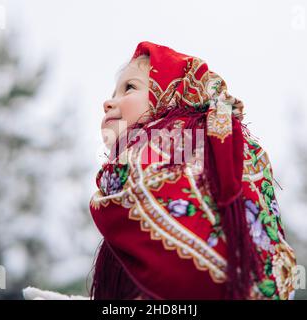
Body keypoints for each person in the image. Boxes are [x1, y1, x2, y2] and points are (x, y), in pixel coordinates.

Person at [89, 41, 297, 300]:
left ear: (168, 93)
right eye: (114, 92)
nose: (108, 102)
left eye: (129, 88)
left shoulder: (186, 146)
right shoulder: (130, 171)